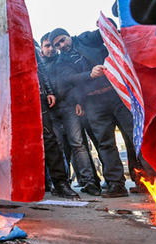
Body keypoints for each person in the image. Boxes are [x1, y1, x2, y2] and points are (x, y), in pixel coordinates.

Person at [50, 27, 133, 198]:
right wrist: (90, 74)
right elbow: (71, 79)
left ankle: (155, 179)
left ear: (69, 36)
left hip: (116, 94)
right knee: (105, 143)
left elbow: (107, 31)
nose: (61, 45)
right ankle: (116, 185)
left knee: (133, 136)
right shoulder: (60, 62)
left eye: (63, 40)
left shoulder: (85, 39)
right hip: (93, 102)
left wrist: (106, 23)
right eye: (57, 44)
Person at [39, 32, 100, 196]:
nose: (51, 48)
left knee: (78, 144)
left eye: (53, 45)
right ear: (41, 50)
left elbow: (74, 81)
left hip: (68, 106)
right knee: (56, 146)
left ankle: (89, 182)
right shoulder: (39, 67)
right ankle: (62, 184)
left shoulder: (63, 60)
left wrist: (78, 101)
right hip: (50, 111)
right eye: (47, 45)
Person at [35, 41, 80, 199]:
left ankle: (60, 183)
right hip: (7, 94)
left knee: (50, 139)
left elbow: (40, 69)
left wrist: (48, 91)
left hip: (35, 95)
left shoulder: (29, 41)